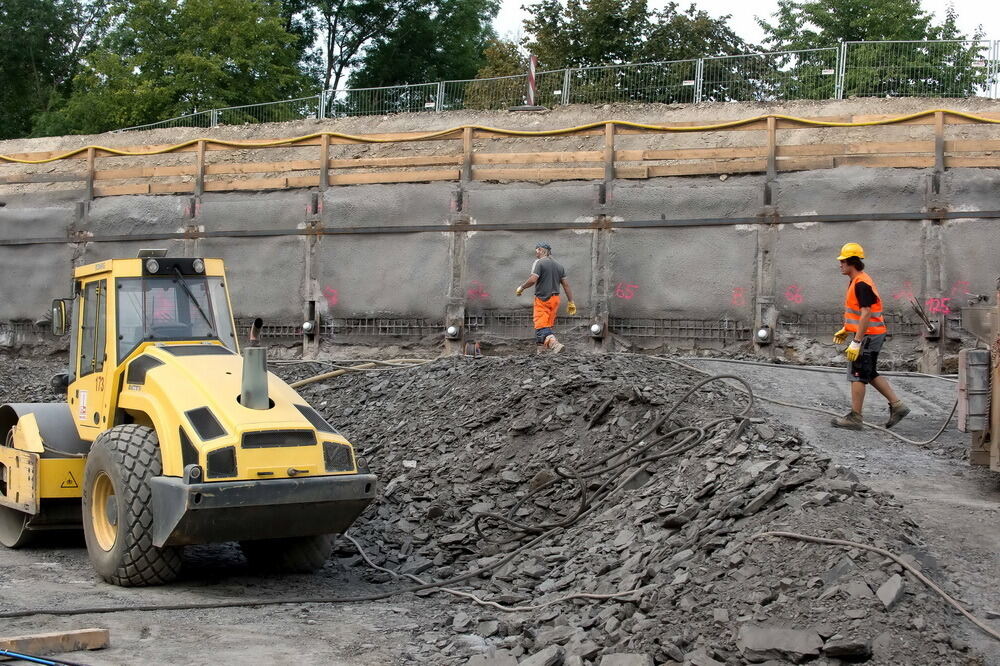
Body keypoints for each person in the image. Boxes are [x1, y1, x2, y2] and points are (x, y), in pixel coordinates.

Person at [831, 242, 910, 430]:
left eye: (842, 261)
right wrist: (847, 328)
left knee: (858, 374)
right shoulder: (859, 280)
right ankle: (898, 406)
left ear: (852, 262)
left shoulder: (861, 283)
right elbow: (860, 313)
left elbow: (866, 313)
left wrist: (856, 342)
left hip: (868, 336)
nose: (840, 264)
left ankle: (855, 417)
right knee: (869, 372)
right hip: (871, 334)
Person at [515, 242, 576, 353]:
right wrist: (571, 301)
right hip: (555, 300)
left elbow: (533, 279)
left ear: (541, 250)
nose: (536, 253)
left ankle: (554, 344)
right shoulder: (559, 266)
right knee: (545, 326)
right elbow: (566, 285)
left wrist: (522, 287)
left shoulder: (540, 263)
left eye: (537, 250)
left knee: (541, 325)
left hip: (543, 299)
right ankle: (541, 351)